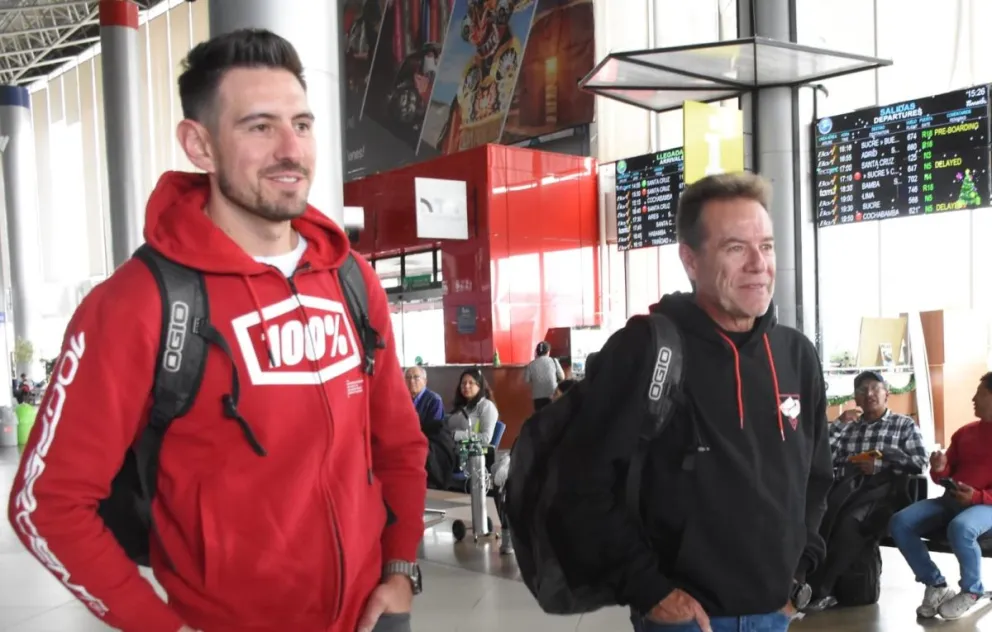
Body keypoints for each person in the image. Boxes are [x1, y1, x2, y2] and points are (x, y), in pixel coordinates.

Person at [7, 29, 427, 632]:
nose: (291, 149)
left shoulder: (350, 278)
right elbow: (45, 505)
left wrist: (401, 567)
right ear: (199, 145)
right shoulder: (139, 303)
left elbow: (399, 445)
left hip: (374, 614)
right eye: (259, 126)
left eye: (302, 124)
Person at [549, 172, 833, 632]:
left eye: (767, 245)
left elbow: (816, 478)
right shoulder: (645, 351)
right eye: (735, 248)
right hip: (684, 620)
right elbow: (581, 484)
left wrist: (800, 573)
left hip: (774, 614)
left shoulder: (796, 354)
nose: (759, 264)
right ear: (691, 260)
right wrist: (648, 590)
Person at [889, 372, 992, 620]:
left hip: (985, 506)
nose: (973, 399)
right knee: (900, 522)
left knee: (961, 528)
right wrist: (939, 468)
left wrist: (977, 497)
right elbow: (943, 476)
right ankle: (935, 584)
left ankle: (972, 591)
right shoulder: (965, 432)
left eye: (979, 394)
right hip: (951, 499)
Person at [445, 368, 499, 444]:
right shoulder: (463, 406)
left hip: (470, 451)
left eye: (471, 383)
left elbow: (486, 438)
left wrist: (456, 435)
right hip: (451, 446)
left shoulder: (486, 406)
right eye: (463, 383)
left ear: (479, 386)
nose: (466, 386)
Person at [523, 341, 564, 411]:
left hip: (537, 397)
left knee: (540, 418)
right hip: (553, 395)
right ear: (548, 352)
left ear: (537, 352)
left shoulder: (531, 365)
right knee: (553, 417)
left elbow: (526, 380)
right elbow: (562, 377)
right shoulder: (554, 361)